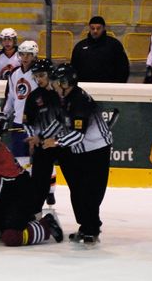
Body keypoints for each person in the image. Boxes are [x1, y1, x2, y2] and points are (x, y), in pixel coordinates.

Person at [42, 63, 112, 245]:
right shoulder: (63, 97)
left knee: (91, 191)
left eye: (58, 82)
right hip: (79, 150)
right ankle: (85, 226)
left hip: (96, 151)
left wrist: (55, 142)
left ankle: (92, 227)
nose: (54, 85)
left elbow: (78, 135)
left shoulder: (80, 100)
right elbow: (59, 122)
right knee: (78, 190)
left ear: (67, 83)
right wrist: (41, 136)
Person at [23, 59, 65, 214]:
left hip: (62, 143)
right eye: (36, 76)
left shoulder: (61, 94)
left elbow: (63, 121)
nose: (38, 79)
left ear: (50, 75)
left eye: (41, 75)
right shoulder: (33, 97)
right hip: (42, 146)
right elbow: (27, 123)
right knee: (39, 183)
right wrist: (32, 140)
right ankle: (35, 214)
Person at [0, 40, 38, 169]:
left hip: (35, 125)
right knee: (19, 160)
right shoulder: (14, 73)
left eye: (29, 54)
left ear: (34, 55)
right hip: (18, 124)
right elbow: (11, 98)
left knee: (37, 160)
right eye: (22, 54)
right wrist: (4, 115)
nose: (25, 57)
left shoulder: (39, 74)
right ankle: (23, 187)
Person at [71, 16, 130, 83]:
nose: (95, 31)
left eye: (98, 28)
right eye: (92, 28)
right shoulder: (80, 47)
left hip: (109, 87)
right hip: (85, 86)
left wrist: (117, 86)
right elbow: (74, 68)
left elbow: (123, 68)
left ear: (103, 28)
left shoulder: (114, 45)